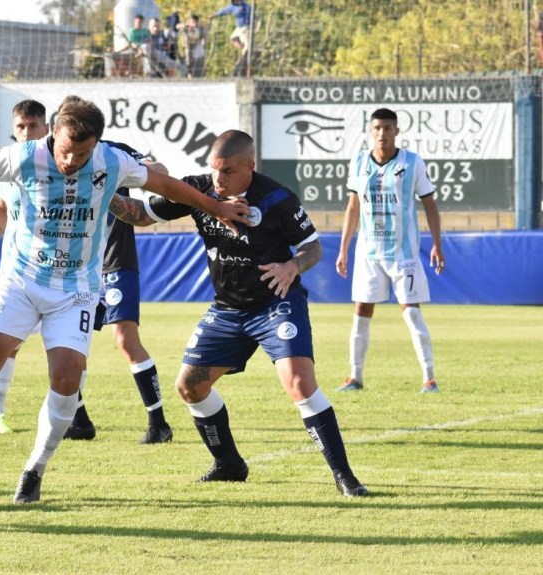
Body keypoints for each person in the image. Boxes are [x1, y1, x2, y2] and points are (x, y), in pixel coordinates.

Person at [0, 97, 250, 504]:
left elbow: (166, 186)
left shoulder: (112, 161)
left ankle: (33, 471)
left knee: (67, 378)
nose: (72, 160)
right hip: (20, 279)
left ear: (97, 146)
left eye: (83, 153)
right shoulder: (23, 156)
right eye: (67, 149)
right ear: (54, 132)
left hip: (75, 290)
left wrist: (215, 207)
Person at [109, 129, 369, 497]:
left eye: (228, 171)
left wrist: (292, 267)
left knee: (298, 382)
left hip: (276, 303)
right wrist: (102, 191)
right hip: (228, 308)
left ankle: (345, 477)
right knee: (190, 386)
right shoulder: (199, 190)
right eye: (214, 169)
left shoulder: (277, 197)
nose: (219, 179)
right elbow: (139, 216)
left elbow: (312, 247)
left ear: (250, 166)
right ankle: (229, 464)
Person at [0, 104, 174, 445]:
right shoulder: (38, 160)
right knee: (65, 346)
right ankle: (77, 419)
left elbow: (161, 172)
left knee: (125, 339)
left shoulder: (111, 155)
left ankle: (158, 421)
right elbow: (3, 207)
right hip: (66, 270)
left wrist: (130, 180)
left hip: (113, 258)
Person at [335, 108, 444, 394]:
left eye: (387, 128)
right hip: (369, 253)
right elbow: (353, 206)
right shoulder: (359, 161)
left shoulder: (412, 162)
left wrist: (437, 244)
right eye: (377, 128)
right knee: (361, 310)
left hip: (403, 254)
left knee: (411, 313)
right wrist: (343, 249)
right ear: (371, 132)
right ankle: (355, 377)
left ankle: (429, 378)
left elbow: (429, 204)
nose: (382, 133)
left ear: (396, 131)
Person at [0, 99, 51, 435]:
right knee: (5, 345)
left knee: (66, 349)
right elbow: (3, 208)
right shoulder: (4, 166)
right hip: (16, 271)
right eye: (21, 126)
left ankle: (74, 414)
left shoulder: (57, 163)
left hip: (55, 272)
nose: (26, 132)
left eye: (33, 125)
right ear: (13, 129)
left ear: (46, 128)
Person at [211, 0, 252, 76]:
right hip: (239, 28)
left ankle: (245, 53)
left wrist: (245, 12)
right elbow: (224, 11)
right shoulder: (233, 6)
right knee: (232, 38)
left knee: (247, 48)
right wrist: (215, 14)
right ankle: (241, 46)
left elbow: (251, 13)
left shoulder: (245, 6)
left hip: (245, 28)